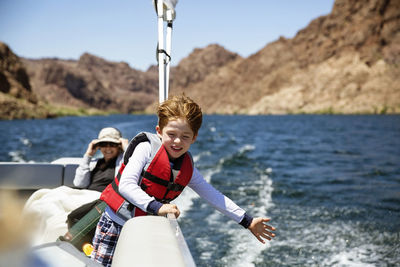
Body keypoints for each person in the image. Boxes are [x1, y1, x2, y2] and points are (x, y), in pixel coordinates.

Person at [91, 95, 276, 266]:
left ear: (194, 138)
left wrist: (247, 221)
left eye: (185, 136)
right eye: (171, 134)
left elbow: (212, 195)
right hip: (116, 224)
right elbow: (126, 184)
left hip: (144, 229)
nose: (177, 141)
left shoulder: (187, 168)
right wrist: (157, 207)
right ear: (159, 131)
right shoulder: (145, 148)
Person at [73, 127, 128, 192]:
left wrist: (127, 148)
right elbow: (79, 184)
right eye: (103, 144)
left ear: (119, 146)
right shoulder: (94, 163)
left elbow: (136, 164)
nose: (108, 148)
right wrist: (88, 155)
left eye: (112, 144)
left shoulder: (123, 163)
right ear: (99, 146)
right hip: (87, 196)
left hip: (103, 199)